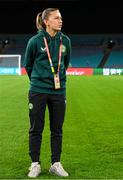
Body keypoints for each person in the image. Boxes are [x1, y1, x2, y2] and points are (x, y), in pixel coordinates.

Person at [24, 8, 71, 178]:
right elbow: (28, 65)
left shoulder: (65, 41)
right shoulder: (35, 41)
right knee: (36, 128)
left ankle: (55, 163)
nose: (60, 20)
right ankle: (35, 164)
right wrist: (39, 81)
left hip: (59, 92)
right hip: (38, 91)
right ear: (46, 21)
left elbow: (66, 62)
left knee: (57, 129)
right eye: (56, 18)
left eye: (61, 18)